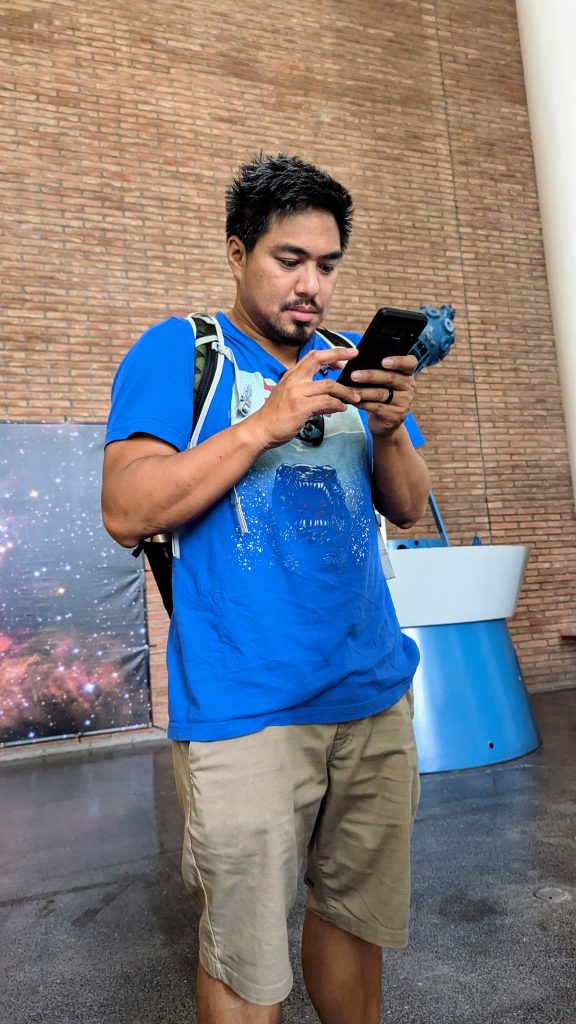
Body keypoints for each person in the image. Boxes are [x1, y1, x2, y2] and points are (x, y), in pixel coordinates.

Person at [102, 153, 430, 1024]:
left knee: (355, 925)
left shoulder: (348, 360)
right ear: (237, 252)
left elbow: (406, 507)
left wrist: (389, 429)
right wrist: (266, 423)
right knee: (246, 960)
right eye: (289, 260)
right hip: (247, 709)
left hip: (371, 693)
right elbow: (126, 508)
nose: (311, 285)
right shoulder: (182, 350)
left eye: (327, 265)